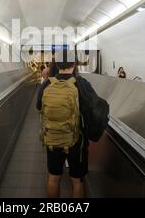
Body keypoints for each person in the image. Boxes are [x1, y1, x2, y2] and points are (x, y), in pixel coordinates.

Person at [36, 50, 98, 198]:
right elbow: (94, 109)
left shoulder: (46, 85)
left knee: (53, 177)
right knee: (77, 181)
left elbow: (39, 107)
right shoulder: (81, 84)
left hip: (53, 138)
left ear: (57, 64)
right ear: (74, 64)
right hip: (77, 140)